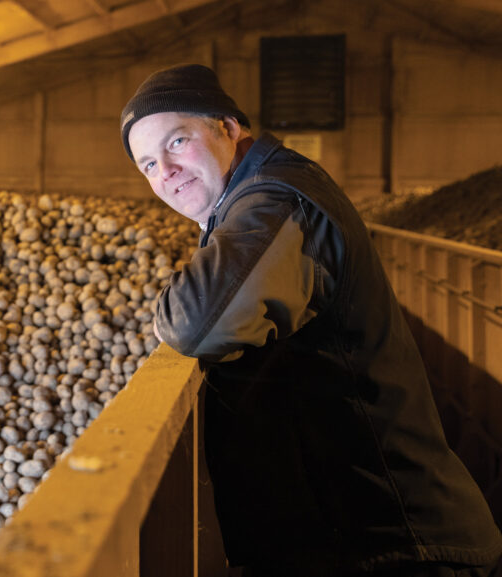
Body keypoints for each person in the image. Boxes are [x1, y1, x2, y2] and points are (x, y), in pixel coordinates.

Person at [120, 63, 502, 577]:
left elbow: (194, 321)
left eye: (177, 142)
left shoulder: (277, 200)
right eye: (146, 163)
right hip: (359, 535)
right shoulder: (254, 198)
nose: (163, 171)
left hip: (393, 545)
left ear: (229, 129)